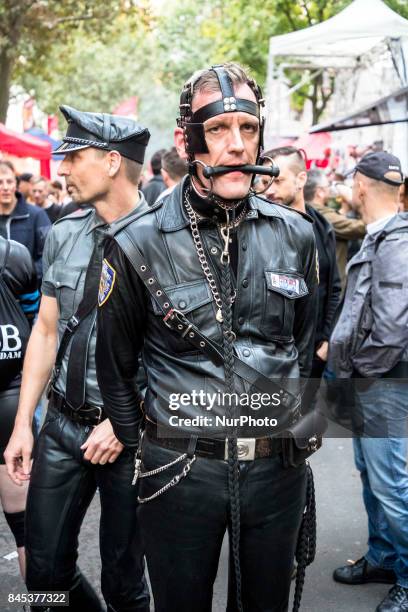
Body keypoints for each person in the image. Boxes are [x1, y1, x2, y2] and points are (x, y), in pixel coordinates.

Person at [96, 62, 319, 612]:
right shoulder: (134, 242)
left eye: (248, 129)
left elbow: (303, 341)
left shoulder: (296, 232)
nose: (237, 146)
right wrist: (152, 447)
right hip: (179, 476)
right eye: (218, 130)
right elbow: (116, 367)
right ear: (186, 139)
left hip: (277, 473)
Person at [4, 105, 151, 612]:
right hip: (63, 426)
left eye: (73, 157)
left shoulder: (169, 240)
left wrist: (126, 418)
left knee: (124, 581)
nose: (61, 169)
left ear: (112, 162)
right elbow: (45, 332)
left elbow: (183, 350)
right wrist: (25, 423)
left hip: (132, 438)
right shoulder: (65, 232)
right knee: (45, 571)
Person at [329, 151, 408, 612]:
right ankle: (383, 557)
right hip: (372, 382)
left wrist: (359, 372)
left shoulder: (396, 241)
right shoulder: (384, 236)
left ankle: (405, 572)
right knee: (373, 477)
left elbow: (394, 327)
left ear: (360, 186)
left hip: (381, 384)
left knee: (391, 485)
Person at [260, 146, 341, 391]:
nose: (270, 190)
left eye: (278, 180)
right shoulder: (259, 227)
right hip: (272, 360)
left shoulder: (321, 226)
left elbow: (333, 287)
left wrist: (326, 340)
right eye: (264, 182)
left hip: (314, 354)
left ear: (301, 179)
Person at [0, 235, 39, 579]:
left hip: (11, 400)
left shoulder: (15, 257)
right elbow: (37, 326)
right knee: (27, 529)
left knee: (28, 527)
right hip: (12, 395)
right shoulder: (15, 256)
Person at [304, 169, 366, 289]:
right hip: (332, 289)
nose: (331, 189)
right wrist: (354, 201)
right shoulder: (322, 215)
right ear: (320, 192)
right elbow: (363, 228)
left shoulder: (313, 211)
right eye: (328, 185)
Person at [0, 161, 51, 281]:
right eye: (0, 182)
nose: (6, 187)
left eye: (9, 181)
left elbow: (50, 254)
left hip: (28, 293)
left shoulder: (37, 215)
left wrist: (27, 276)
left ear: (16, 185)